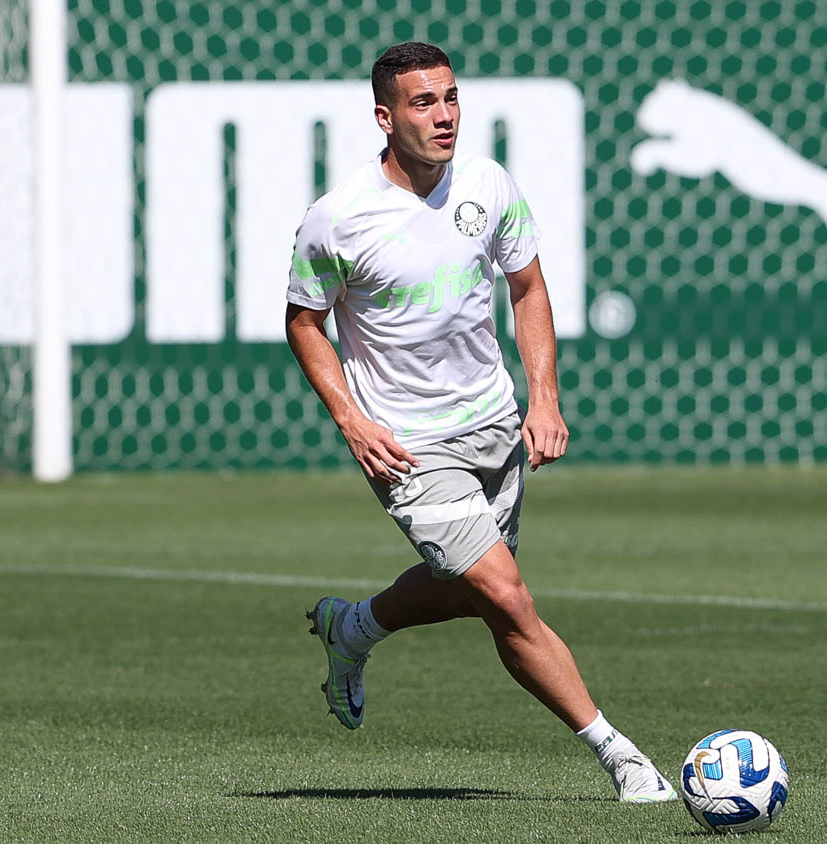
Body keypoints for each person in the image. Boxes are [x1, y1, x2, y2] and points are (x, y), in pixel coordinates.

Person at [285, 41, 676, 804]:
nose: (444, 116)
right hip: (409, 445)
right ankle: (623, 758)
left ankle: (353, 628)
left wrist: (545, 397)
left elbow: (527, 288)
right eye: (423, 103)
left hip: (496, 425)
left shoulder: (489, 185)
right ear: (384, 117)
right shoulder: (338, 219)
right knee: (507, 599)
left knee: (468, 590)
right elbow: (304, 322)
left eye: (451, 98)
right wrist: (351, 420)